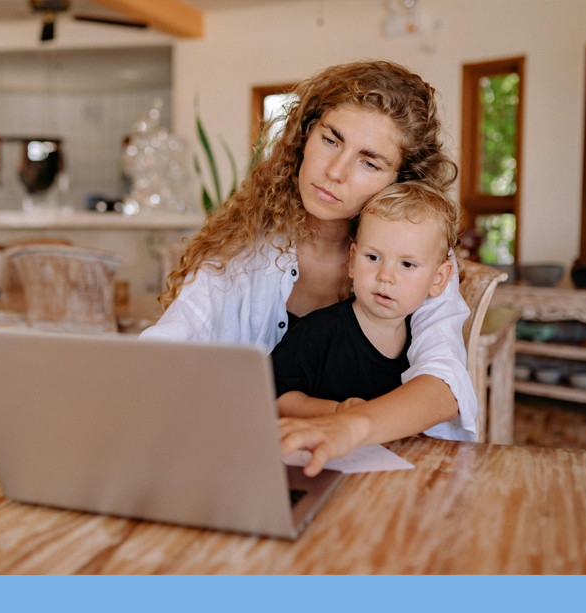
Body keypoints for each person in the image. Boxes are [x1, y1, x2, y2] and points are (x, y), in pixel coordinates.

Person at [140, 60, 476, 474]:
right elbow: (172, 341)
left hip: (391, 472)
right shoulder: (241, 247)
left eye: (369, 162)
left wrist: (347, 427)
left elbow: (444, 385)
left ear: (400, 180)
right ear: (305, 136)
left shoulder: (413, 263)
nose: (334, 172)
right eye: (331, 140)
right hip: (251, 464)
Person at [270, 181, 457, 420]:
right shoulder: (316, 333)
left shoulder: (423, 345)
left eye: (407, 264)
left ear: (438, 279)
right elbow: (272, 397)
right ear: (352, 261)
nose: (385, 276)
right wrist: (337, 411)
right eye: (373, 257)